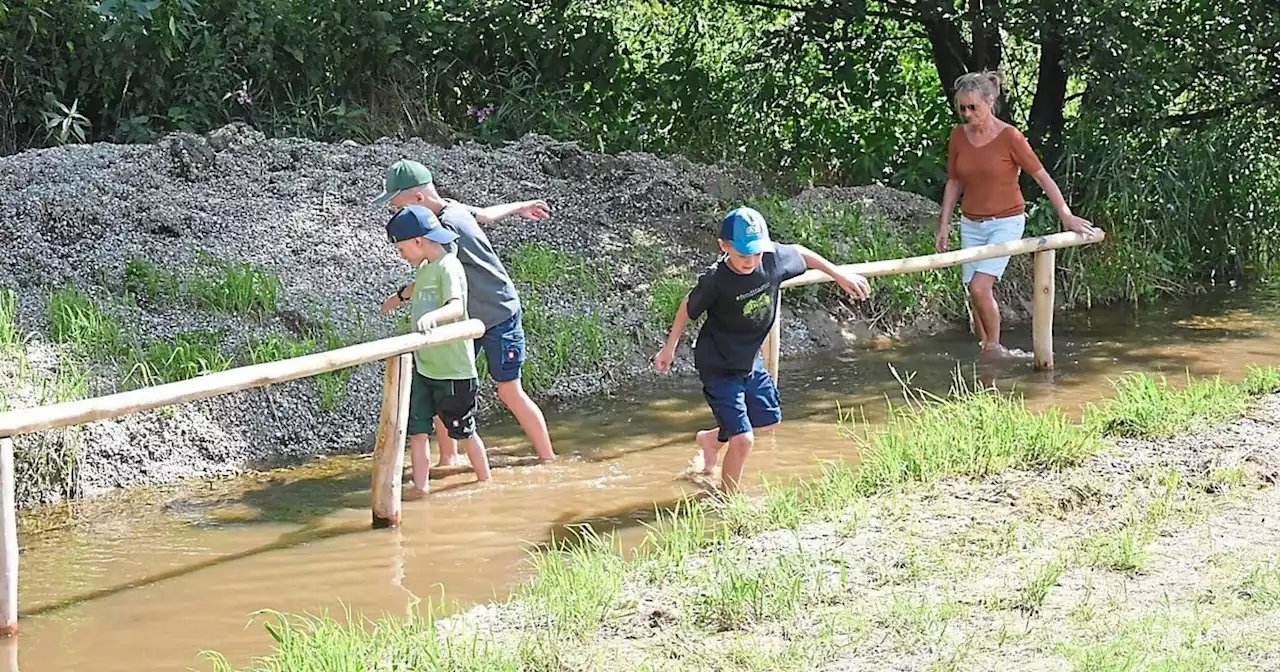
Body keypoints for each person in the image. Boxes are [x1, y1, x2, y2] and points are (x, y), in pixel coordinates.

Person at [653, 206, 871, 494]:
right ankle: (728, 501)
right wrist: (669, 348)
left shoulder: (771, 260)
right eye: (743, 255)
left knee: (767, 419)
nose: (750, 261)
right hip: (718, 365)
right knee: (743, 440)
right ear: (724, 246)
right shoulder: (716, 280)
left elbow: (801, 252)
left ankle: (711, 440)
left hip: (749, 360)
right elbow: (687, 307)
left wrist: (839, 274)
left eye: (756, 253)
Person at [373, 159, 557, 466]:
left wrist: (402, 295)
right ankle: (448, 459)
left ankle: (548, 458)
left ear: (418, 199)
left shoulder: (446, 228)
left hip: (498, 313)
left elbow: (437, 272)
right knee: (447, 382)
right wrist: (520, 206)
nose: (394, 211)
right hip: (463, 321)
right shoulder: (452, 208)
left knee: (509, 391)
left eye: (396, 205)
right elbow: (484, 215)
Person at [935, 70, 1101, 357]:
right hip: (971, 222)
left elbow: (1042, 176)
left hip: (1006, 222)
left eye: (973, 107)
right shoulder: (958, 136)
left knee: (979, 287)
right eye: (962, 108)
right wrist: (944, 224)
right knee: (974, 295)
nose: (967, 113)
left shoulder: (1010, 136)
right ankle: (987, 352)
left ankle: (993, 348)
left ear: (990, 101)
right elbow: (954, 181)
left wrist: (1066, 215)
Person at [385, 204, 493, 499]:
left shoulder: (450, 266)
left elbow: (457, 306)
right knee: (418, 431)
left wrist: (435, 316)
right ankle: (421, 488)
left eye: (401, 248)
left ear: (418, 241)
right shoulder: (426, 267)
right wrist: (397, 298)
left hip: (453, 370)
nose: (401, 254)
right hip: (424, 366)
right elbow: (417, 287)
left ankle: (486, 483)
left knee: (464, 430)